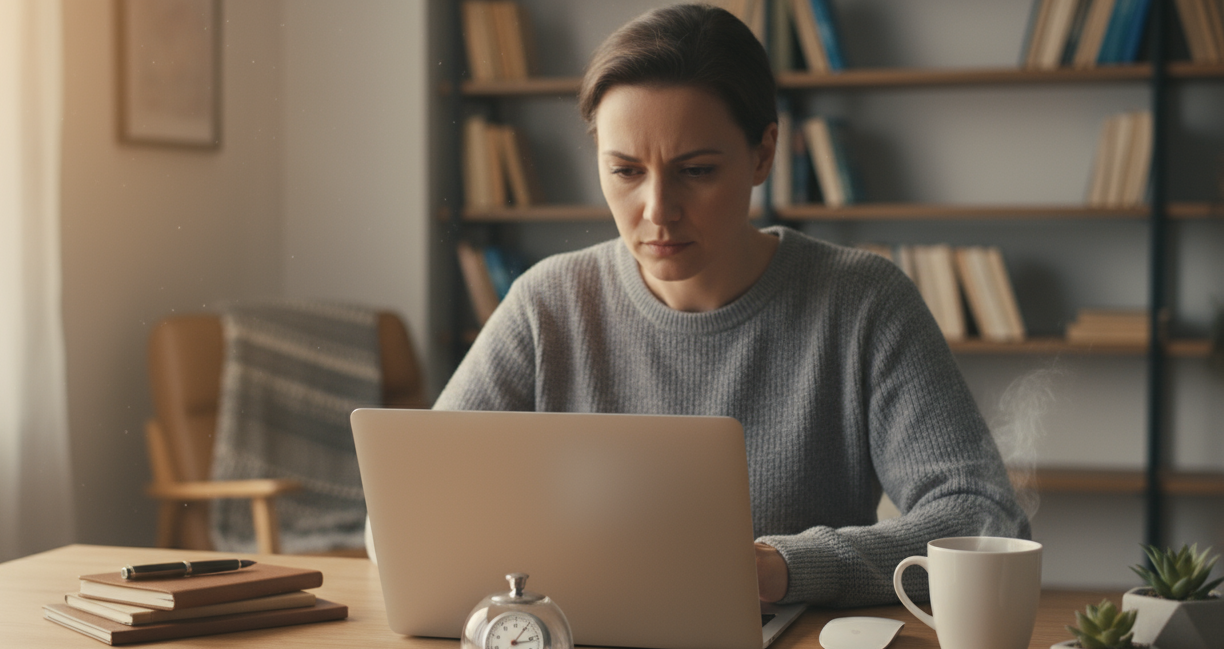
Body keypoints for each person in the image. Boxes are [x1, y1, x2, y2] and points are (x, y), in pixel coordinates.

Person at [434, 4, 1028, 608]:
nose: (658, 209)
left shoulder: (862, 303)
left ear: (763, 154)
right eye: (625, 171)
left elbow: (985, 521)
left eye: (696, 170)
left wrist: (783, 568)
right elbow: (415, 504)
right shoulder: (546, 304)